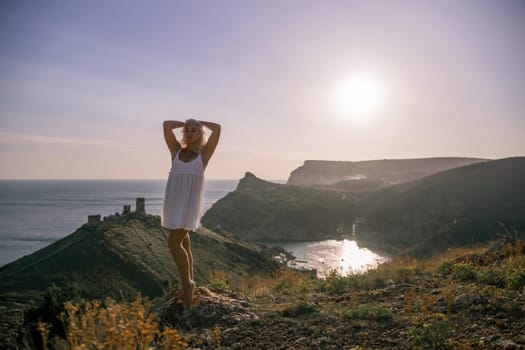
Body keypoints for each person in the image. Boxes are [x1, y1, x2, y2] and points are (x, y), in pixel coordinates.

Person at [161, 118, 221, 307]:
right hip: (174, 199)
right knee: (184, 242)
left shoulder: (204, 154)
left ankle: (188, 284)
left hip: (189, 203)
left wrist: (199, 121)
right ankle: (190, 280)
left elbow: (217, 128)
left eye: (194, 130)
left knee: (174, 242)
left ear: (201, 133)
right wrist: (185, 121)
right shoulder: (176, 150)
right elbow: (166, 125)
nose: (189, 132)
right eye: (187, 130)